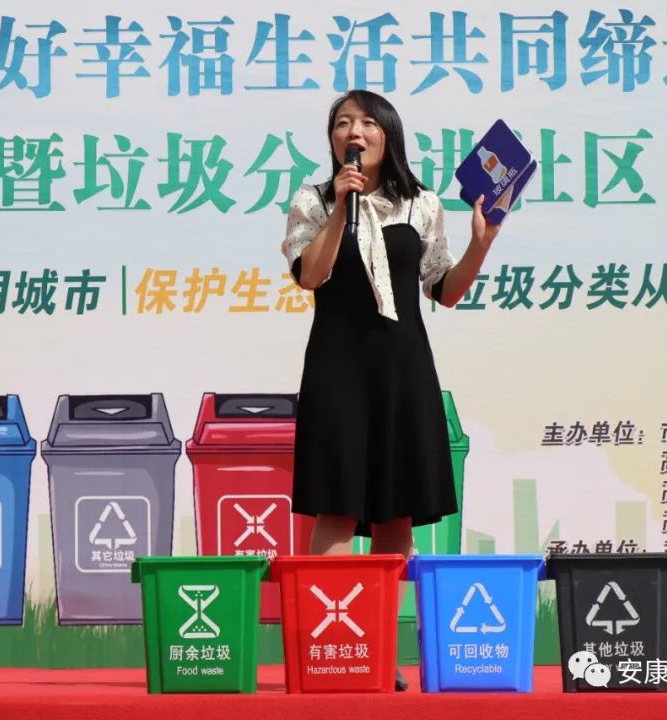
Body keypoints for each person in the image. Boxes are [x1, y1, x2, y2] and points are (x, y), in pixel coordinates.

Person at [281, 90, 502, 691]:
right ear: (333, 140)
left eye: (366, 123)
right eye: (342, 124)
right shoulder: (314, 199)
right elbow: (310, 275)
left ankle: (375, 649)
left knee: (395, 513)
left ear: (388, 134)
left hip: (403, 370)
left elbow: (443, 290)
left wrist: (482, 243)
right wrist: (340, 209)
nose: (353, 132)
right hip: (338, 368)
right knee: (336, 505)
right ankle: (332, 651)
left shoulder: (421, 203)